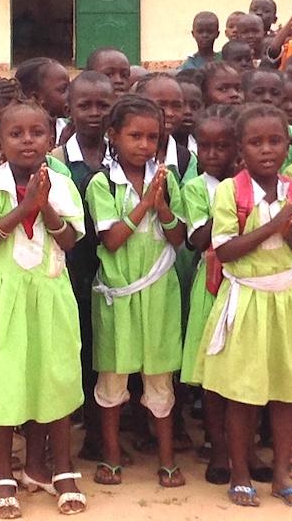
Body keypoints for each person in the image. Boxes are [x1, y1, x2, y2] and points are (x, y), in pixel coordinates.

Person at [195, 104, 292, 508]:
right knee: (242, 392)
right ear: (240, 150)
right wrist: (276, 225)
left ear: (289, 146)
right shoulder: (232, 191)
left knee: (286, 391)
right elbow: (226, 250)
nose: (266, 149)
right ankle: (241, 473)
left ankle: (282, 474)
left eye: (275, 141)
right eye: (256, 142)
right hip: (246, 300)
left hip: (285, 300)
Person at [0, 101, 87, 518]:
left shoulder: (61, 182)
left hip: (49, 292)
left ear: (51, 139)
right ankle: (2, 471)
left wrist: (46, 204)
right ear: (0, 145)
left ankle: (60, 468)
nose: (27, 141)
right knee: (6, 379)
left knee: (53, 376)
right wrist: (25, 207)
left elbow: (70, 240)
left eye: (36, 133)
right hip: (4, 299)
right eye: (16, 134)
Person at [86, 95, 187, 489]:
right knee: (113, 377)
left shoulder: (169, 179)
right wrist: (146, 203)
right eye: (135, 136)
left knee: (160, 377)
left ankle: (166, 461)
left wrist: (162, 206)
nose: (144, 145)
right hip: (119, 293)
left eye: (152, 137)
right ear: (113, 135)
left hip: (160, 291)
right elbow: (111, 240)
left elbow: (178, 237)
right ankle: (111, 457)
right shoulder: (103, 183)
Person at [179, 106, 247, 486]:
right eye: (205, 147)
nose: (212, 154)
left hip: (248, 287)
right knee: (214, 373)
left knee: (245, 368)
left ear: (236, 148)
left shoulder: (249, 183)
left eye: (222, 146)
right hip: (211, 286)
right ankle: (217, 446)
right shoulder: (194, 188)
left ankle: (247, 448)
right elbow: (196, 239)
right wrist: (227, 206)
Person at [49, 71, 115, 463]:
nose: (94, 113)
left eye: (102, 105)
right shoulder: (56, 161)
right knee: (72, 350)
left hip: (112, 270)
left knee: (102, 352)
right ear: (68, 110)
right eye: (84, 105)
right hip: (68, 270)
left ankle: (98, 434)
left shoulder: (121, 153)